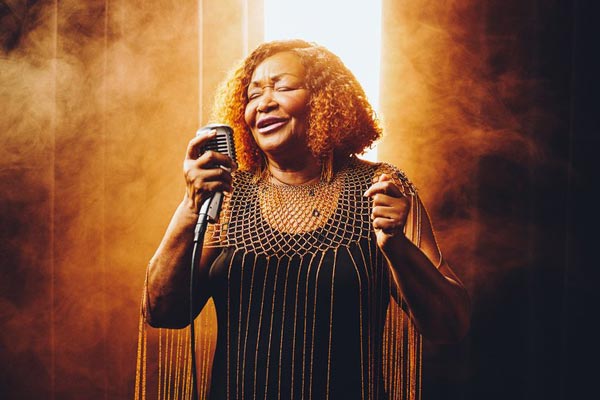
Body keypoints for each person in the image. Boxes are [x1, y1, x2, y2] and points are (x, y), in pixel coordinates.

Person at [141, 39, 470, 400]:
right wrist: (191, 206)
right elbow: (161, 311)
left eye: (282, 86)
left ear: (326, 100)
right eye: (253, 95)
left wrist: (396, 246)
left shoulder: (381, 186)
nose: (264, 102)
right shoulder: (228, 194)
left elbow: (449, 324)